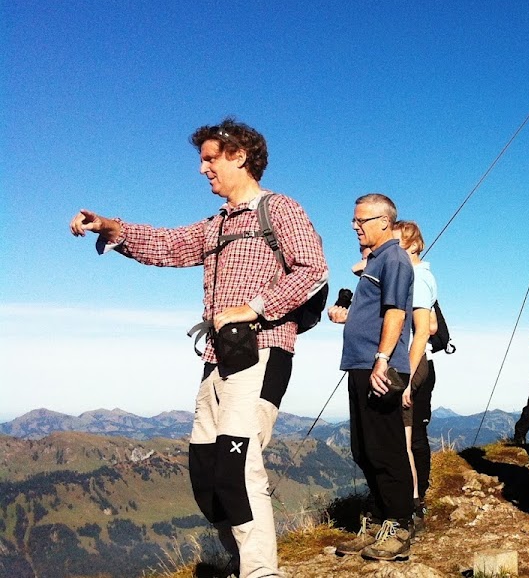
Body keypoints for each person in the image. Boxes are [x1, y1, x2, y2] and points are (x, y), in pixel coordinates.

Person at [68, 118, 329, 578]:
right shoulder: (217, 225)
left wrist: (252, 307)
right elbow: (167, 244)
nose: (202, 169)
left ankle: (262, 572)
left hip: (264, 353)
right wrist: (109, 227)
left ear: (239, 156)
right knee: (206, 472)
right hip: (218, 360)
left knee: (239, 464)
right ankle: (240, 559)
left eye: (210, 158)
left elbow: (313, 270)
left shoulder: (280, 209)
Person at [329, 194, 416, 561]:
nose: (355, 226)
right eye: (354, 220)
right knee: (364, 448)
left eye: (361, 220)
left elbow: (396, 313)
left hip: (376, 367)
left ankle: (399, 527)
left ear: (384, 221)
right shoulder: (375, 261)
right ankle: (381, 522)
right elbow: (375, 314)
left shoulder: (394, 259)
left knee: (386, 447)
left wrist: (382, 359)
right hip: (361, 364)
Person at [394, 220, 438, 531]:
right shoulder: (416, 275)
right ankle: (412, 501)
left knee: (403, 439)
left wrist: (406, 378)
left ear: (411, 245)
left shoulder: (418, 278)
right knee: (407, 437)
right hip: (418, 362)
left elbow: (424, 331)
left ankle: (411, 505)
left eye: (395, 243)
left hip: (413, 362)